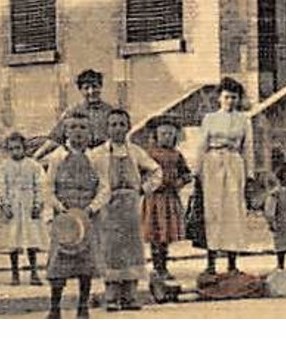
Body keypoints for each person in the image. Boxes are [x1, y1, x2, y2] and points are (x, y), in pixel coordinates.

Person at [88, 107, 163, 311]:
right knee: (111, 251)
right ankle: (111, 296)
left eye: (122, 124)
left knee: (132, 250)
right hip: (107, 208)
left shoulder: (136, 152)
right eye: (113, 124)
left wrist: (143, 188)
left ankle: (130, 296)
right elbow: (89, 178)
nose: (118, 128)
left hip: (130, 207)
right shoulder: (97, 155)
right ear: (106, 128)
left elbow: (156, 171)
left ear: (128, 127)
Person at [40, 114, 98, 318]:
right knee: (58, 263)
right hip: (63, 215)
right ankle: (55, 307)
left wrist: (92, 207)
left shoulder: (95, 157)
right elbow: (47, 187)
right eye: (73, 127)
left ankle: (83, 306)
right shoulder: (57, 157)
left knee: (85, 263)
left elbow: (105, 186)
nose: (78, 132)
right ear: (66, 131)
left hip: (86, 214)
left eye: (83, 127)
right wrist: (58, 207)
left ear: (89, 133)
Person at [193, 77, 250, 276]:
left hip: (234, 164)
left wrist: (249, 176)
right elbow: (201, 146)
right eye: (226, 97)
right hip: (213, 165)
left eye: (234, 98)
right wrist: (197, 171)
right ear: (219, 98)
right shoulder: (210, 119)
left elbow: (247, 148)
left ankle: (232, 263)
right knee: (213, 212)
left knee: (233, 213)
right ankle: (211, 262)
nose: (230, 101)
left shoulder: (244, 120)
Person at [140, 115, 192, 279]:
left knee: (165, 235)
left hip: (169, 199)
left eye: (170, 134)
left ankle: (164, 266)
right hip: (154, 200)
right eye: (163, 134)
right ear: (156, 136)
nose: (167, 138)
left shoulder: (177, 155)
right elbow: (140, 174)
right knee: (155, 233)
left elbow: (187, 174)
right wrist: (148, 186)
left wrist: (179, 182)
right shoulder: (149, 154)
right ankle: (156, 267)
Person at [0, 132, 46, 286]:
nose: (15, 152)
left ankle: (34, 273)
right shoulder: (4, 166)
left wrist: (38, 204)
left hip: (29, 205)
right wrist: (4, 205)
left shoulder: (34, 165)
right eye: (12, 149)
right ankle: (15, 273)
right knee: (13, 241)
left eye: (18, 148)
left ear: (24, 148)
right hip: (12, 206)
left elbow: (41, 185)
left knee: (31, 239)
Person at [35, 69, 117, 157]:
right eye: (86, 88)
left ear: (100, 87)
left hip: (103, 157)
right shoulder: (72, 111)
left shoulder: (110, 112)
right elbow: (56, 138)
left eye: (94, 86)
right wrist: (36, 157)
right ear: (80, 90)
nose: (91, 91)